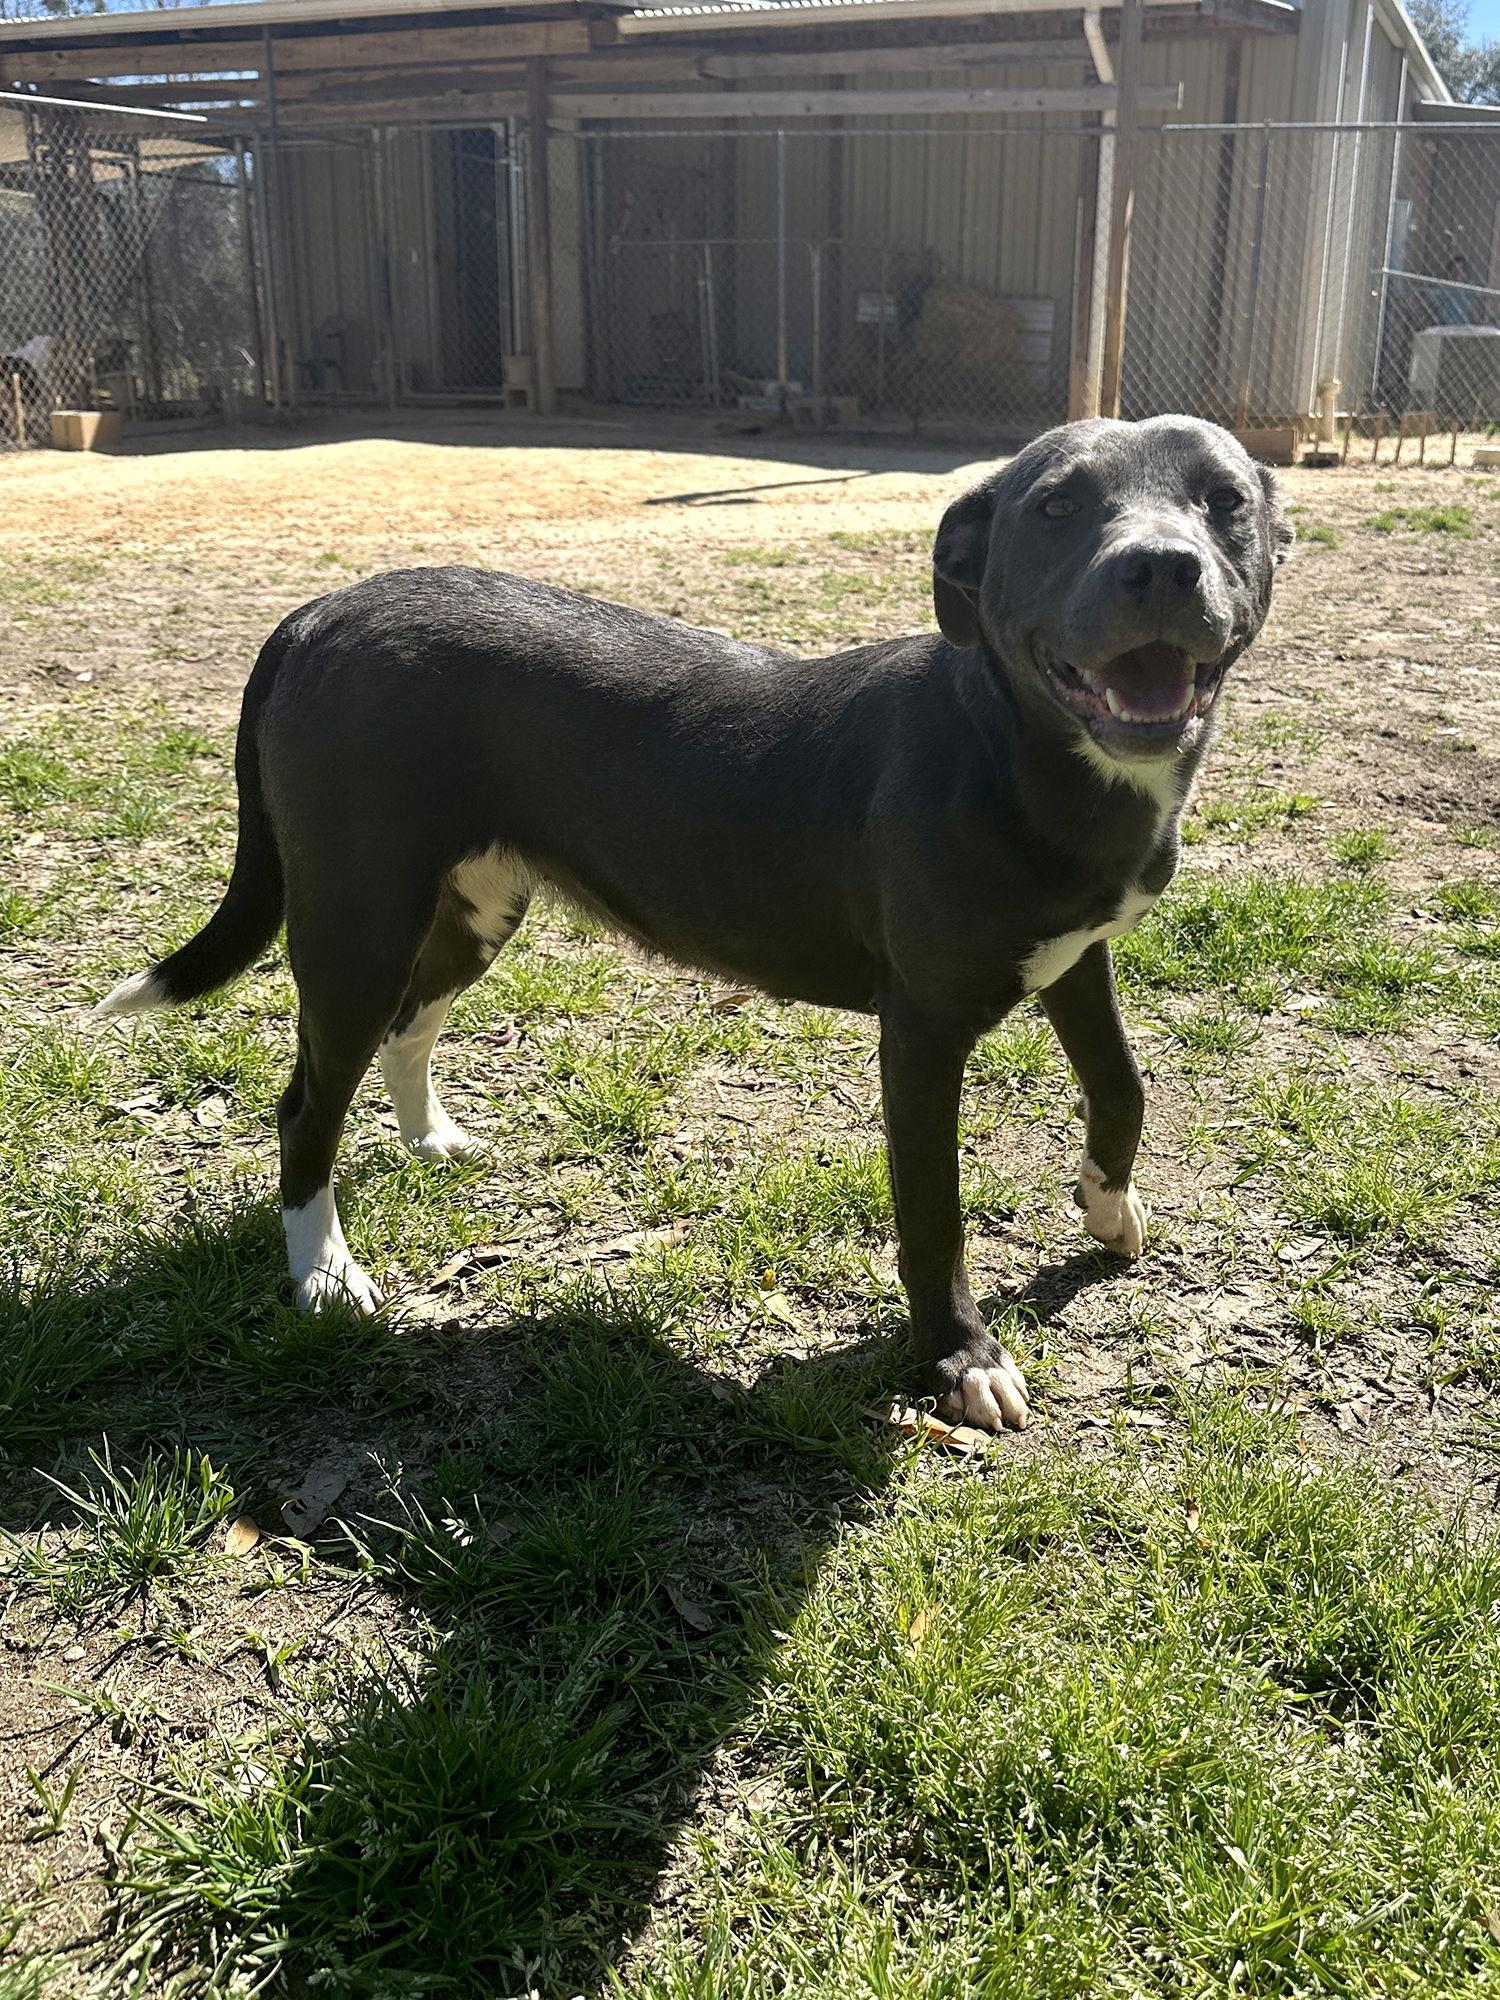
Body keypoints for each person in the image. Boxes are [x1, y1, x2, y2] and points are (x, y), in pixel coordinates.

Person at [1430, 255, 1476, 328]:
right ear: (1449, 272)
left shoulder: (1468, 291)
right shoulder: (1442, 289)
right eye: (1455, 270)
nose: (1458, 274)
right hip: (1444, 326)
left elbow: (1472, 311)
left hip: (1463, 327)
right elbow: (1435, 309)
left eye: (1460, 270)